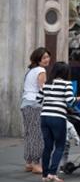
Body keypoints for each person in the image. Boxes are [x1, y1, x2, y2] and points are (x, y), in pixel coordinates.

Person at [37, 62, 80, 182]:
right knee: (59, 146)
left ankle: (44, 176)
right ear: (65, 73)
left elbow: (38, 99)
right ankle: (52, 174)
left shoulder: (46, 84)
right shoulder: (66, 84)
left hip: (44, 117)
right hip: (58, 118)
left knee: (47, 147)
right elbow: (70, 101)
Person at [21, 47, 51, 175]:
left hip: (25, 104)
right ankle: (36, 163)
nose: (47, 60)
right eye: (44, 57)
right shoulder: (40, 70)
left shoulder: (30, 71)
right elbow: (42, 89)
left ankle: (28, 162)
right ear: (38, 59)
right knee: (37, 134)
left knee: (29, 134)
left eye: (48, 57)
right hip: (35, 104)